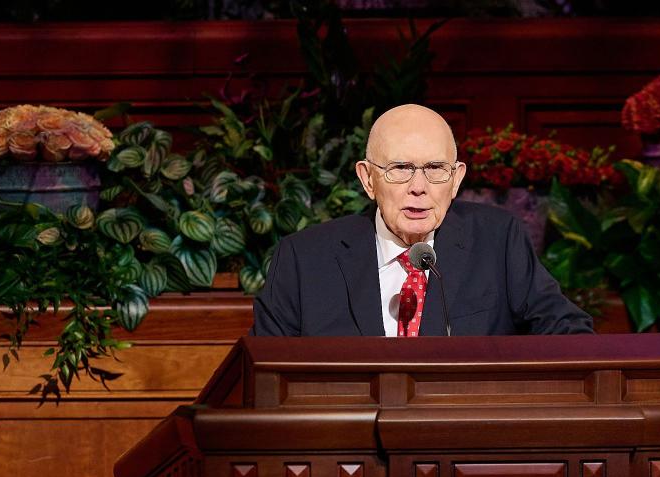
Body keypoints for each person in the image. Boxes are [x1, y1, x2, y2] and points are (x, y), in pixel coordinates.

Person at [252, 104, 592, 337]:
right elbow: (264, 371)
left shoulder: (498, 242)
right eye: (400, 169)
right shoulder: (304, 259)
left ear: (456, 179)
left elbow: (566, 329)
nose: (419, 187)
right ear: (368, 179)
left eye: (435, 169)